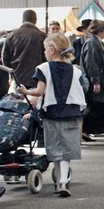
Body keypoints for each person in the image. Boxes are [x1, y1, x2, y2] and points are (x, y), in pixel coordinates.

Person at [17, 33, 86, 197]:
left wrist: (25, 91)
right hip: (72, 111)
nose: (44, 52)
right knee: (67, 148)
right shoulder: (76, 70)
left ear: (52, 49)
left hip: (52, 112)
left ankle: (59, 182)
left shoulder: (43, 68)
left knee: (55, 147)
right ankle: (63, 181)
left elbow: (40, 92)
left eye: (45, 49)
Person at [2, 9, 46, 88]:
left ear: (23, 20)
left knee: (17, 100)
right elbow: (46, 59)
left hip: (17, 80)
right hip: (37, 80)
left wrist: (11, 74)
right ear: (35, 20)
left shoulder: (11, 35)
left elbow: (5, 58)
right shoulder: (42, 36)